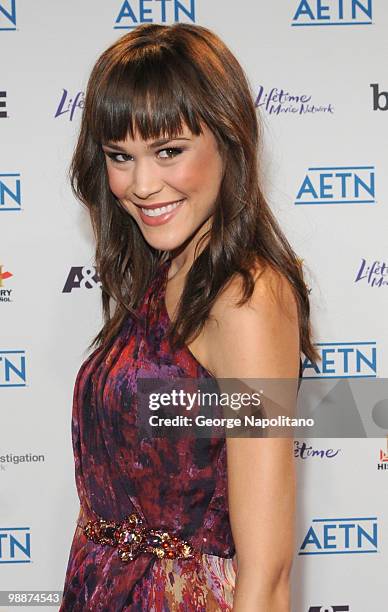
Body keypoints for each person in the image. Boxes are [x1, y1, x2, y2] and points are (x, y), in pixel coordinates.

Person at [59, 22, 319, 612]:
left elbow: (267, 574)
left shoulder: (246, 301)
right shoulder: (162, 272)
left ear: (228, 140)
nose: (142, 186)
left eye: (169, 151)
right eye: (120, 157)